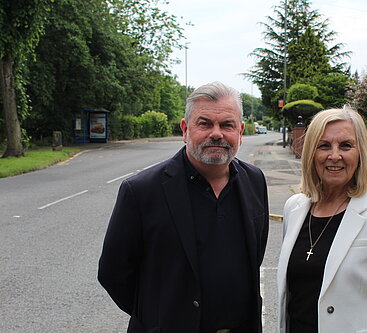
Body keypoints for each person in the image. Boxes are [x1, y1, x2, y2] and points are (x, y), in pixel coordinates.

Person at [98, 82, 269, 333]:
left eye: (227, 125)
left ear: (241, 131)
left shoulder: (254, 181)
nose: (217, 133)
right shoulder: (141, 191)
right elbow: (114, 274)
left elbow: (255, 256)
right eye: (205, 123)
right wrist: (157, 316)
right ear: (185, 129)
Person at [277, 108, 367, 333]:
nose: (334, 156)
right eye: (324, 145)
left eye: (345, 146)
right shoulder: (294, 208)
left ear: (360, 153)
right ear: (311, 153)